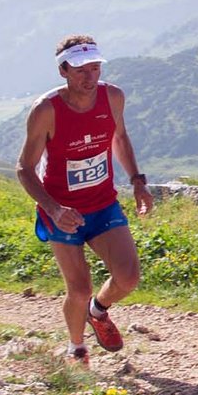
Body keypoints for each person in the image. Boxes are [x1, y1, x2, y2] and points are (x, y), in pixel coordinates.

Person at [14, 35, 154, 368]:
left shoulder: (113, 97)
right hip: (63, 212)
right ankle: (76, 348)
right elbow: (24, 169)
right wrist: (53, 209)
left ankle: (98, 311)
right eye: (80, 70)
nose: (89, 77)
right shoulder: (46, 110)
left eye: (94, 68)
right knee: (78, 289)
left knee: (128, 277)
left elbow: (120, 137)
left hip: (103, 204)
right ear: (63, 71)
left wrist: (137, 182)